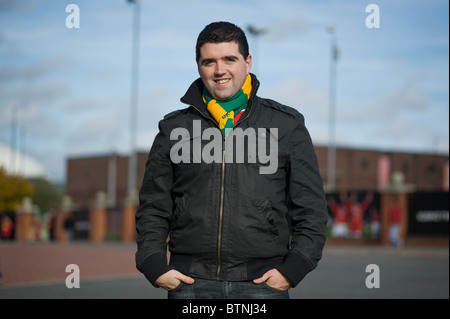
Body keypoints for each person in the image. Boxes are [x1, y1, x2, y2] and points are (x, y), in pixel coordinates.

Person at [135, 21, 328, 299]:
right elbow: (153, 205)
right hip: (190, 283)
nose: (219, 70)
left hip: (263, 285)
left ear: (247, 62)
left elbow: (311, 207)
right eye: (209, 61)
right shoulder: (174, 128)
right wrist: (154, 264)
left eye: (229, 59)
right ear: (199, 66)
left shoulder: (286, 125)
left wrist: (294, 268)